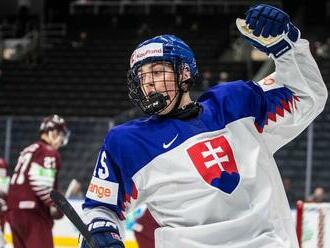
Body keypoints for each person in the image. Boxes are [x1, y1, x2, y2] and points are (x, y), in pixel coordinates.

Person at [79, 4, 328, 248]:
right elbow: (100, 209)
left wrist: (286, 47)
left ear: (184, 73)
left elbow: (306, 96)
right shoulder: (128, 142)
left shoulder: (236, 103)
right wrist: (102, 233)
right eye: (142, 77)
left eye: (156, 72)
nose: (148, 84)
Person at [7, 114, 70, 248]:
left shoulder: (29, 150)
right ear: (53, 133)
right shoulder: (48, 152)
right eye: (61, 134)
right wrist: (57, 204)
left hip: (13, 212)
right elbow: (41, 185)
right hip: (33, 214)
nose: (61, 140)